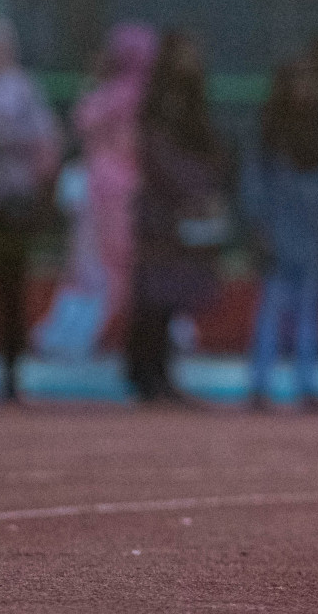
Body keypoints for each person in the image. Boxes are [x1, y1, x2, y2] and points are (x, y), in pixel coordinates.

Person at [32, 23, 158, 360]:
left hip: (104, 190)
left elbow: (84, 119)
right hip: (116, 192)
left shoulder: (114, 95)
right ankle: (74, 337)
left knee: (94, 268)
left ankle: (72, 337)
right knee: (108, 268)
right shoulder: (140, 97)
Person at [126, 31, 228, 405]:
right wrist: (192, 192)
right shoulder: (161, 106)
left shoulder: (193, 104)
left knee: (171, 297)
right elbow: (157, 159)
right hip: (161, 215)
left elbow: (212, 152)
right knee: (153, 297)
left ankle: (162, 376)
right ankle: (146, 376)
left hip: (185, 215)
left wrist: (207, 190)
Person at [0, 15, 61, 403]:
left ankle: (11, 377)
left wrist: (2, 138)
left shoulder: (21, 88)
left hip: (10, 207)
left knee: (12, 293)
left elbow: (44, 137)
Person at [243, 57, 318, 410]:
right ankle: (260, 385)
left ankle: (306, 386)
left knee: (310, 311)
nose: (304, 89)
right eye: (297, 81)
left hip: (312, 230)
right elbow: (253, 181)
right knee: (272, 308)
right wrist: (258, 224)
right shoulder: (269, 128)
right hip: (279, 226)